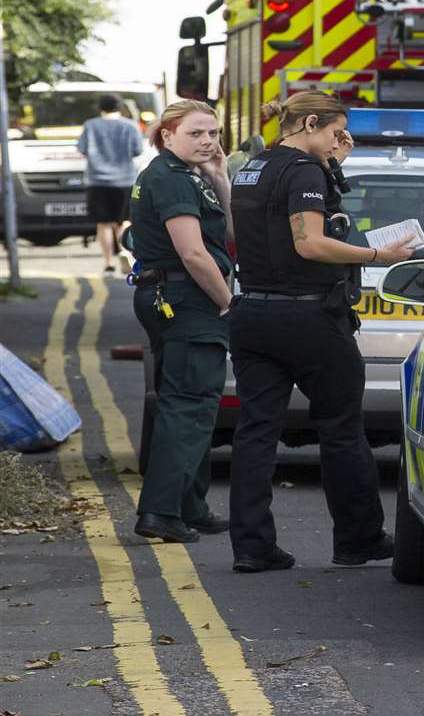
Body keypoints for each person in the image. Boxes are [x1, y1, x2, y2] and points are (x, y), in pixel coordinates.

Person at [226, 93, 414, 573]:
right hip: (309, 318)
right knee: (342, 429)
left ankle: (251, 546)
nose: (339, 141)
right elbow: (309, 242)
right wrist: (378, 257)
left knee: (256, 431)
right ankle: (359, 538)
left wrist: (334, 163)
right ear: (310, 122)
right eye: (335, 133)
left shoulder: (253, 166)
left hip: (253, 313)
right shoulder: (303, 172)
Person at [127, 99, 233, 543]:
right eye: (196, 133)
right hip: (184, 299)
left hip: (176, 297)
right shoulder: (171, 180)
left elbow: (228, 233)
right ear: (166, 135)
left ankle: (190, 505)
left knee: (197, 405)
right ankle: (159, 513)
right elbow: (194, 253)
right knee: (187, 406)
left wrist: (221, 177)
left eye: (212, 133)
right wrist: (229, 304)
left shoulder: (189, 176)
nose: (207, 141)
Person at [76, 94, 145, 274]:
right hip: (125, 179)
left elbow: (82, 149)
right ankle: (124, 251)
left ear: (100, 107)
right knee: (124, 221)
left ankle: (108, 262)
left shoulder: (91, 125)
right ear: (120, 107)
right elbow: (137, 150)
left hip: (98, 180)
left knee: (104, 223)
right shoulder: (130, 126)